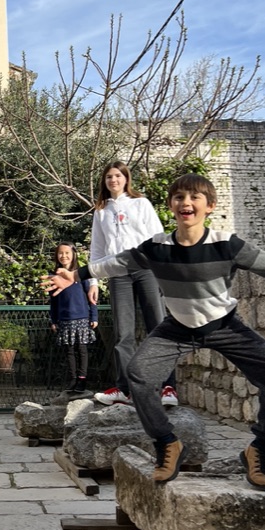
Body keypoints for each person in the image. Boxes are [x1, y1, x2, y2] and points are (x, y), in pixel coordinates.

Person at [45, 173, 265, 490]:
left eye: (194, 197)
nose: (186, 202)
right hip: (177, 328)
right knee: (139, 374)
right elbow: (116, 263)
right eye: (179, 197)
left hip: (225, 325)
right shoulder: (158, 247)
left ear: (209, 206)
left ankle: (261, 452)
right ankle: (167, 444)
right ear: (171, 206)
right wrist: (76, 275)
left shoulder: (226, 245)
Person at [90, 161, 177, 407]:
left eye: (118, 175)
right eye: (109, 176)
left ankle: (167, 387)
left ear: (126, 178)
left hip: (146, 269)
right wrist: (93, 281)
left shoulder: (141, 203)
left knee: (157, 327)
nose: (113, 180)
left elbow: (159, 237)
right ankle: (125, 389)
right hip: (118, 273)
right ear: (104, 181)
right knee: (123, 334)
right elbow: (97, 249)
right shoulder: (101, 211)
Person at [49, 241, 97, 394]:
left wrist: (94, 316)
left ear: (73, 254)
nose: (64, 256)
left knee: (82, 349)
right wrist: (54, 320)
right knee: (69, 351)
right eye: (60, 253)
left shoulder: (81, 275)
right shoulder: (54, 276)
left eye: (67, 253)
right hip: (64, 319)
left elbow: (91, 296)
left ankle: (82, 379)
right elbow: (53, 301)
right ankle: (73, 379)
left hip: (82, 318)